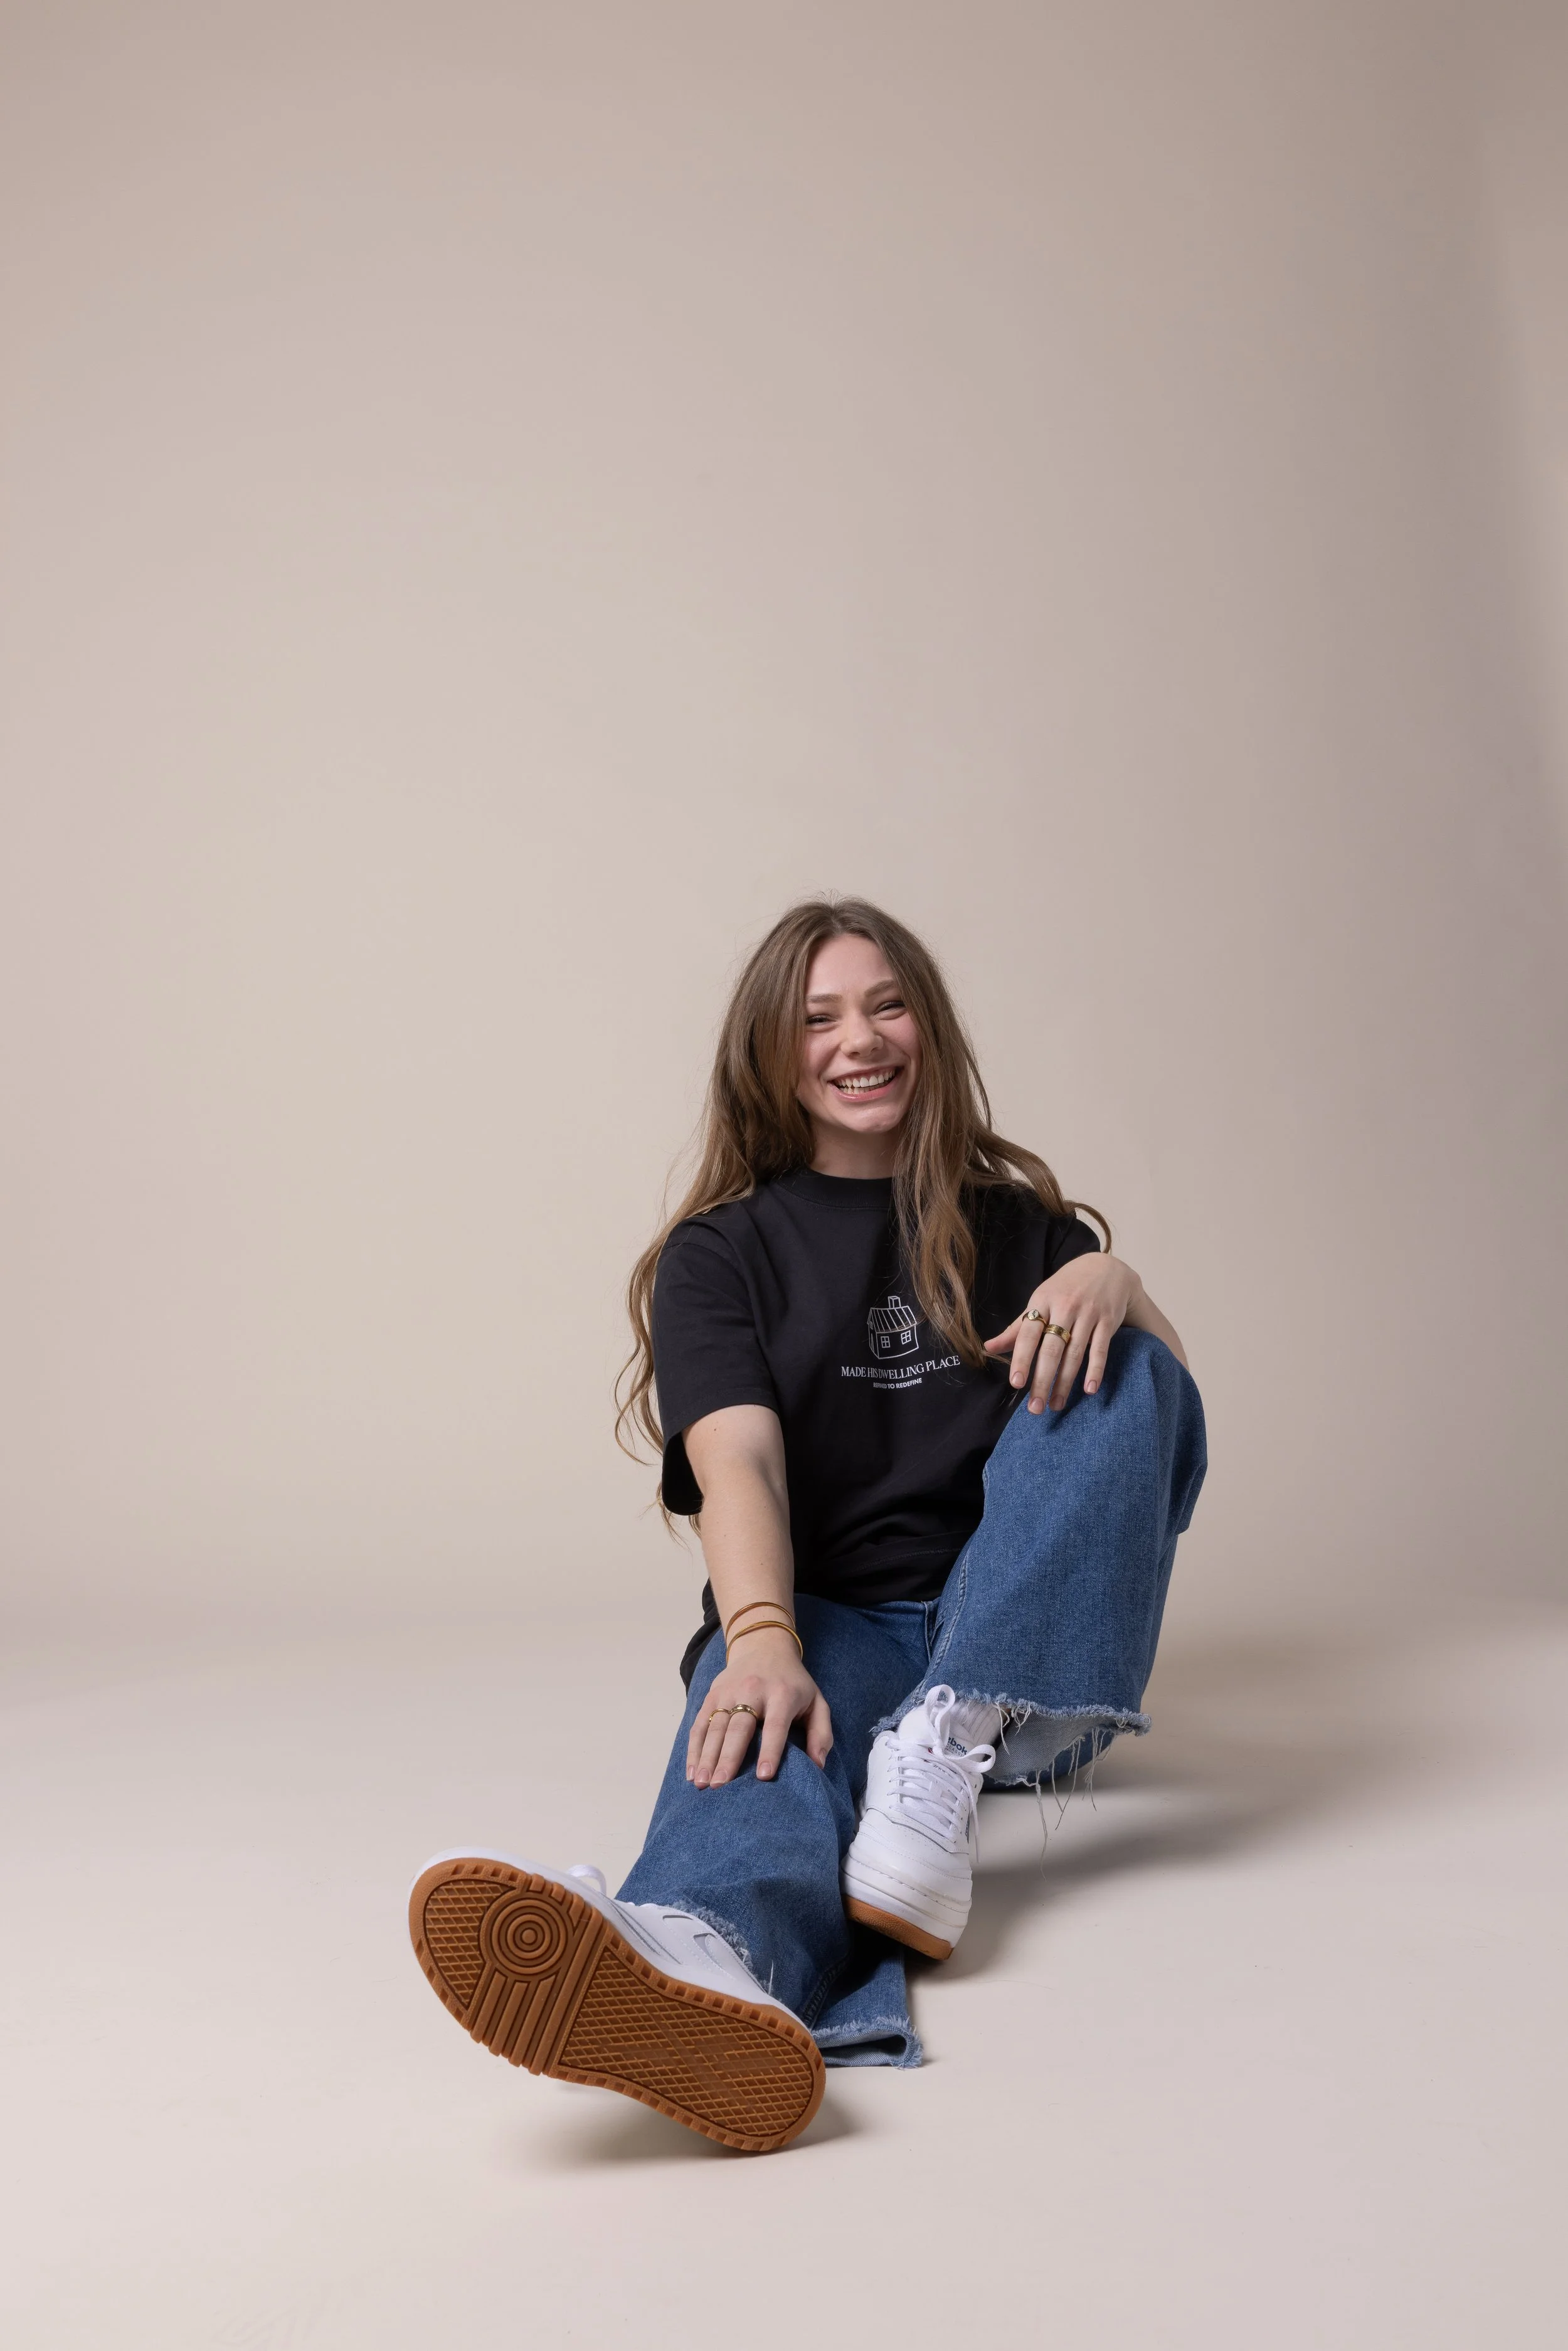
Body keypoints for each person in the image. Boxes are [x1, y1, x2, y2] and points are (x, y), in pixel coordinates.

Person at [408, 898, 1206, 2153]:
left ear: (927, 1029)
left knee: (1133, 1364)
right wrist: (764, 1635)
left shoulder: (1019, 1230)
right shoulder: (719, 1255)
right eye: (817, 1016)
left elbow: (1152, 1441)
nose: (859, 1038)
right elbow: (741, 1463)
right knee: (764, 1720)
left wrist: (1120, 1278)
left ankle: (946, 1731)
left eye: (887, 1004)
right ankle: (707, 1959)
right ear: (769, 1054)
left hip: (1020, 1658)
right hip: (832, 1612)